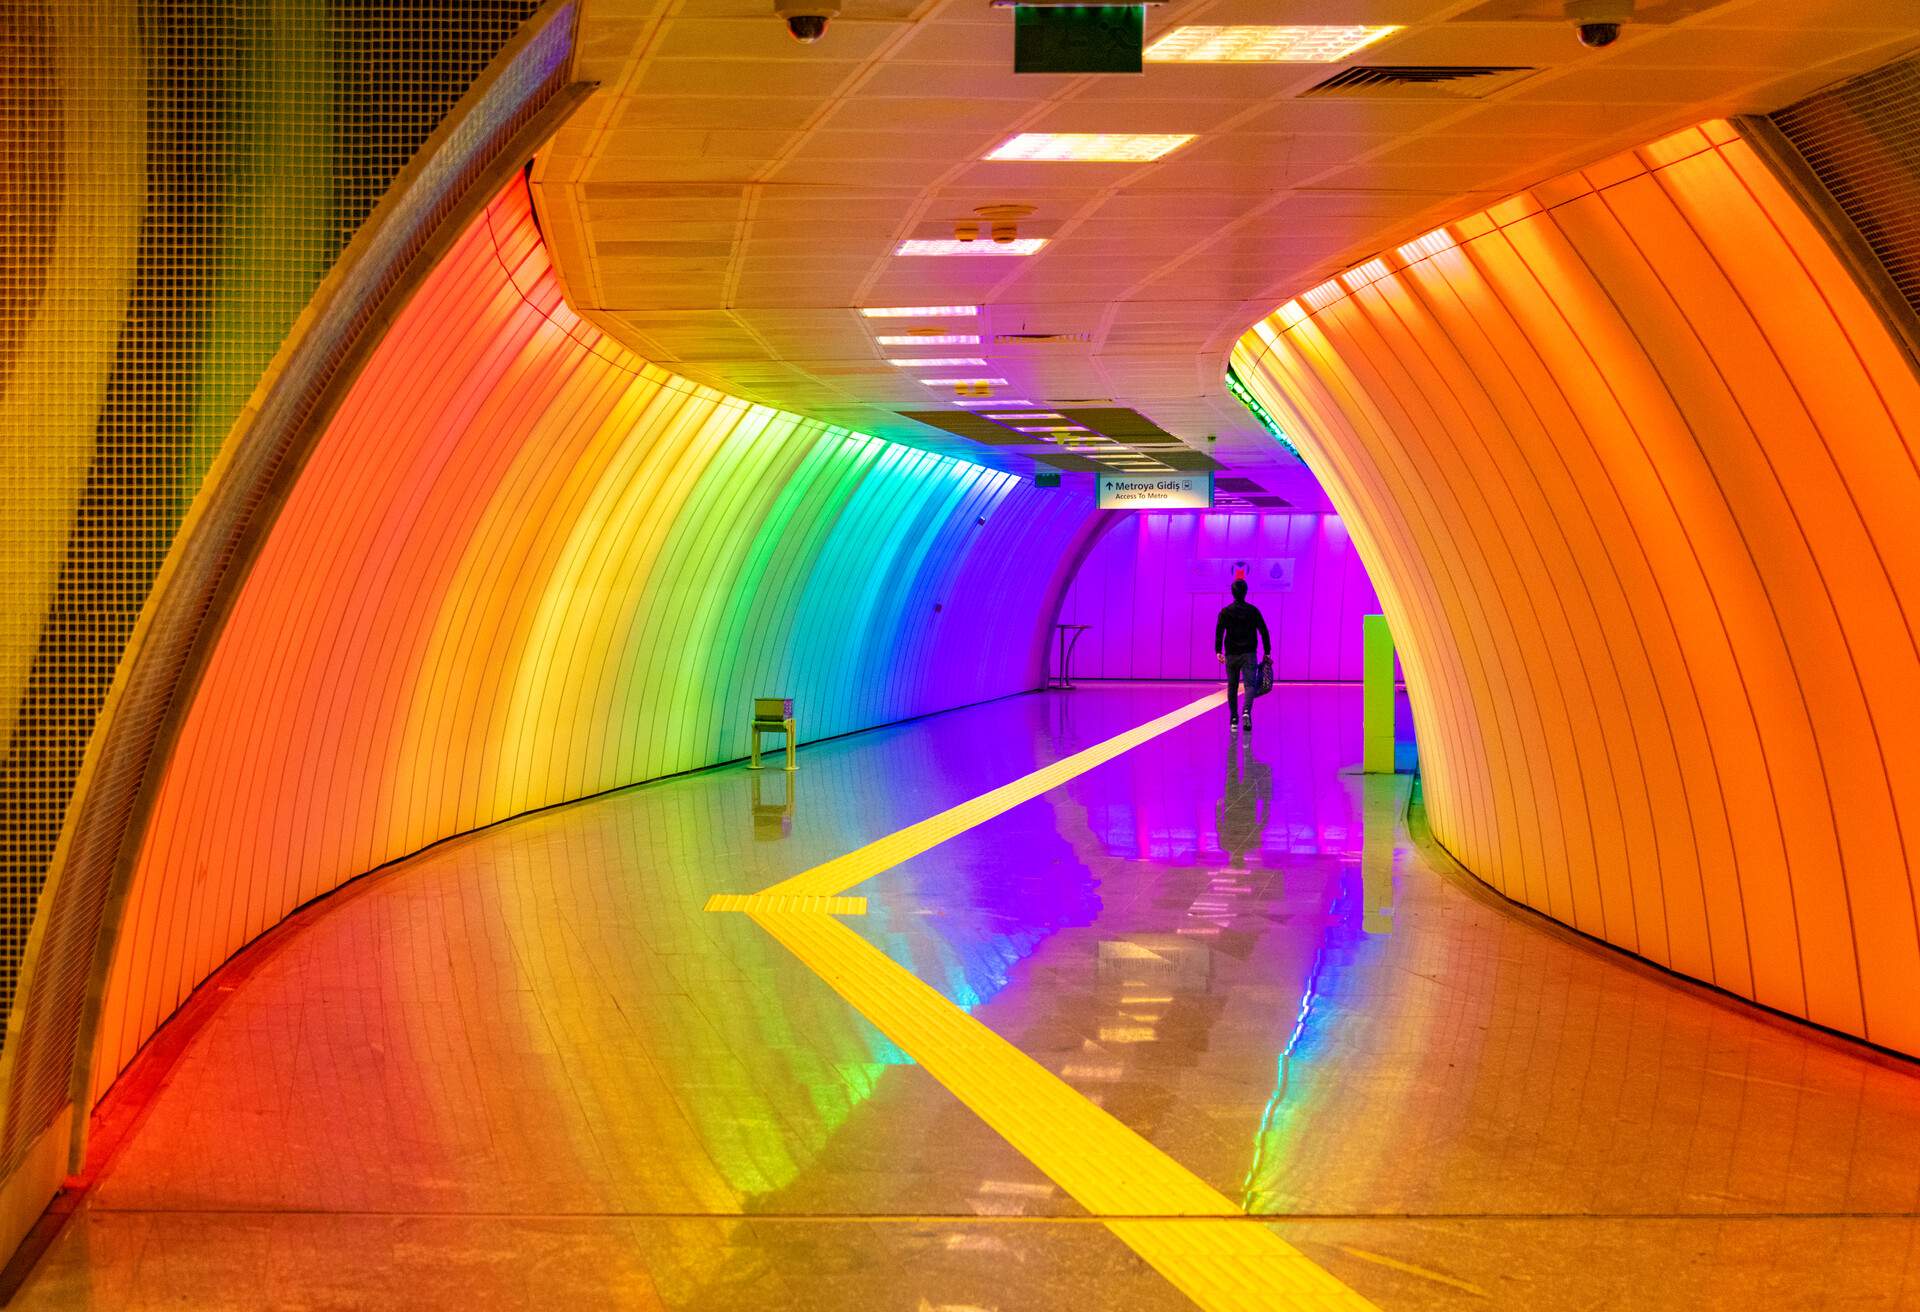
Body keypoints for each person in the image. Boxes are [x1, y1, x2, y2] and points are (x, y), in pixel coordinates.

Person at [1214, 577, 1270, 734]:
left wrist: (1218, 650)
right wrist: (1267, 651)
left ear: (1232, 593)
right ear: (1245, 592)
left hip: (1231, 655)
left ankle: (1233, 719)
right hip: (1249, 654)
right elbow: (1264, 631)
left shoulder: (1225, 612)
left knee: (1232, 686)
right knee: (1250, 685)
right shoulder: (1253, 611)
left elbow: (1219, 632)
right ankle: (1246, 711)